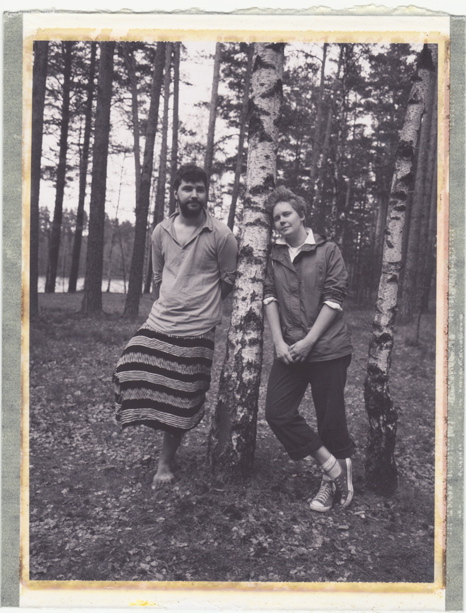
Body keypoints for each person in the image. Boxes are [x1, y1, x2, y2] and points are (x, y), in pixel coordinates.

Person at [114, 164, 238, 488]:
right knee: (129, 365)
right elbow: (158, 276)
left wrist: (201, 302)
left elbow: (228, 280)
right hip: (160, 320)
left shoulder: (222, 235)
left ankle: (165, 463)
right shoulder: (160, 231)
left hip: (198, 328)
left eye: (200, 189)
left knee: (182, 398)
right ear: (176, 193)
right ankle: (149, 413)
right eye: (188, 188)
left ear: (207, 193)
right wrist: (172, 300)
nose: (194, 194)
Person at [263, 185, 354, 512]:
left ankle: (331, 483)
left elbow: (334, 298)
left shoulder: (328, 251)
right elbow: (269, 297)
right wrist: (278, 341)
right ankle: (332, 465)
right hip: (290, 349)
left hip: (328, 348)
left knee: (330, 419)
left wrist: (309, 341)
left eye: (286, 213)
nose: (281, 220)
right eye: (276, 217)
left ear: (301, 215)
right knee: (277, 412)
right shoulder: (273, 256)